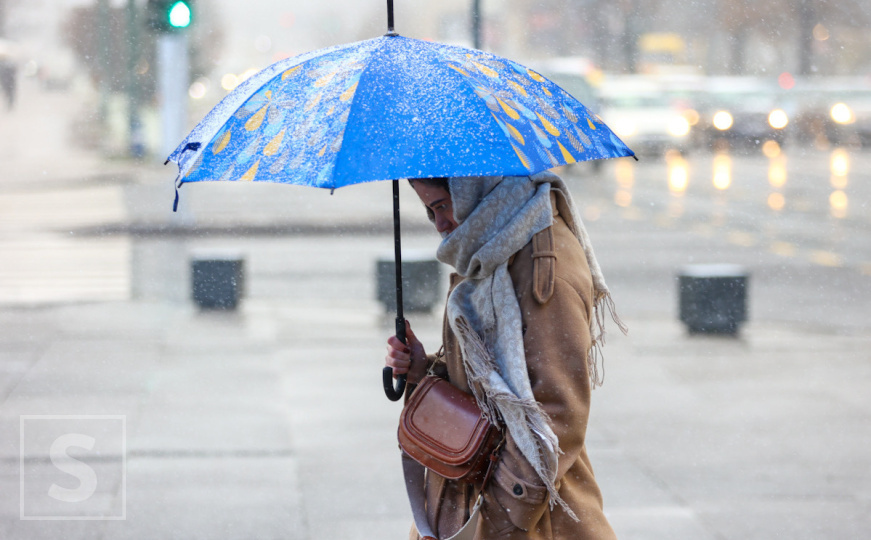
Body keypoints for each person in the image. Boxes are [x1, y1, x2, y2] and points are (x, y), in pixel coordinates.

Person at [386, 172, 626, 540]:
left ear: (471, 190)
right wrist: (425, 370)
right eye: (429, 212)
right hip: (468, 495)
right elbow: (485, 380)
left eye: (441, 207)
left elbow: (557, 413)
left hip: (527, 518)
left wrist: (501, 517)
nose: (440, 224)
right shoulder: (491, 247)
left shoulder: (545, 269)